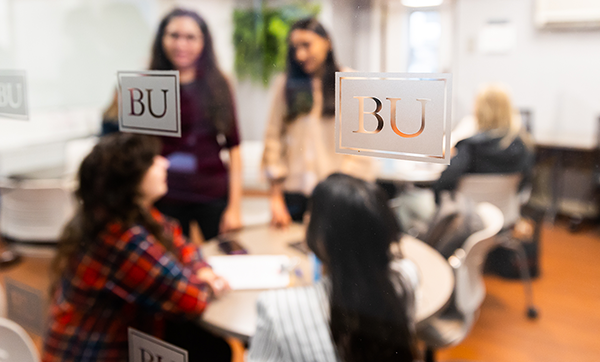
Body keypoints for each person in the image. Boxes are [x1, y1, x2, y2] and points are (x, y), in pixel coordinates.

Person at [42, 133, 231, 362]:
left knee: (207, 344)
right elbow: (193, 299)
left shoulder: (124, 213)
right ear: (131, 181)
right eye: (153, 160)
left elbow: (181, 244)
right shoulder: (121, 238)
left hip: (112, 342)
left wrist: (201, 270)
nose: (165, 162)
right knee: (210, 348)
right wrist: (210, 281)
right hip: (93, 354)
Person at [102, 8, 242, 240]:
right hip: (166, 196)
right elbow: (135, 149)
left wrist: (235, 207)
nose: (181, 44)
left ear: (203, 42)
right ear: (161, 39)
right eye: (174, 35)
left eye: (190, 37)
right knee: (173, 263)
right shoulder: (147, 85)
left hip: (212, 192)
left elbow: (234, 146)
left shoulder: (218, 84)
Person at [248, 173, 420, 362]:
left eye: (310, 213)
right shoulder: (406, 278)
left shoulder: (276, 308)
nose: (306, 218)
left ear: (320, 236)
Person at [262, 18, 376, 227]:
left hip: (335, 196)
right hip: (293, 196)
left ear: (328, 42)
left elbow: (363, 149)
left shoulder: (350, 82)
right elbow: (273, 139)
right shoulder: (286, 84)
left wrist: (337, 195)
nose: (300, 55)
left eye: (306, 45)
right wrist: (275, 197)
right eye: (295, 48)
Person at [432, 84, 534, 202]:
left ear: (479, 109)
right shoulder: (524, 145)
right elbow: (523, 185)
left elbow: (443, 184)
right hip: (505, 213)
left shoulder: (470, 147)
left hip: (469, 216)